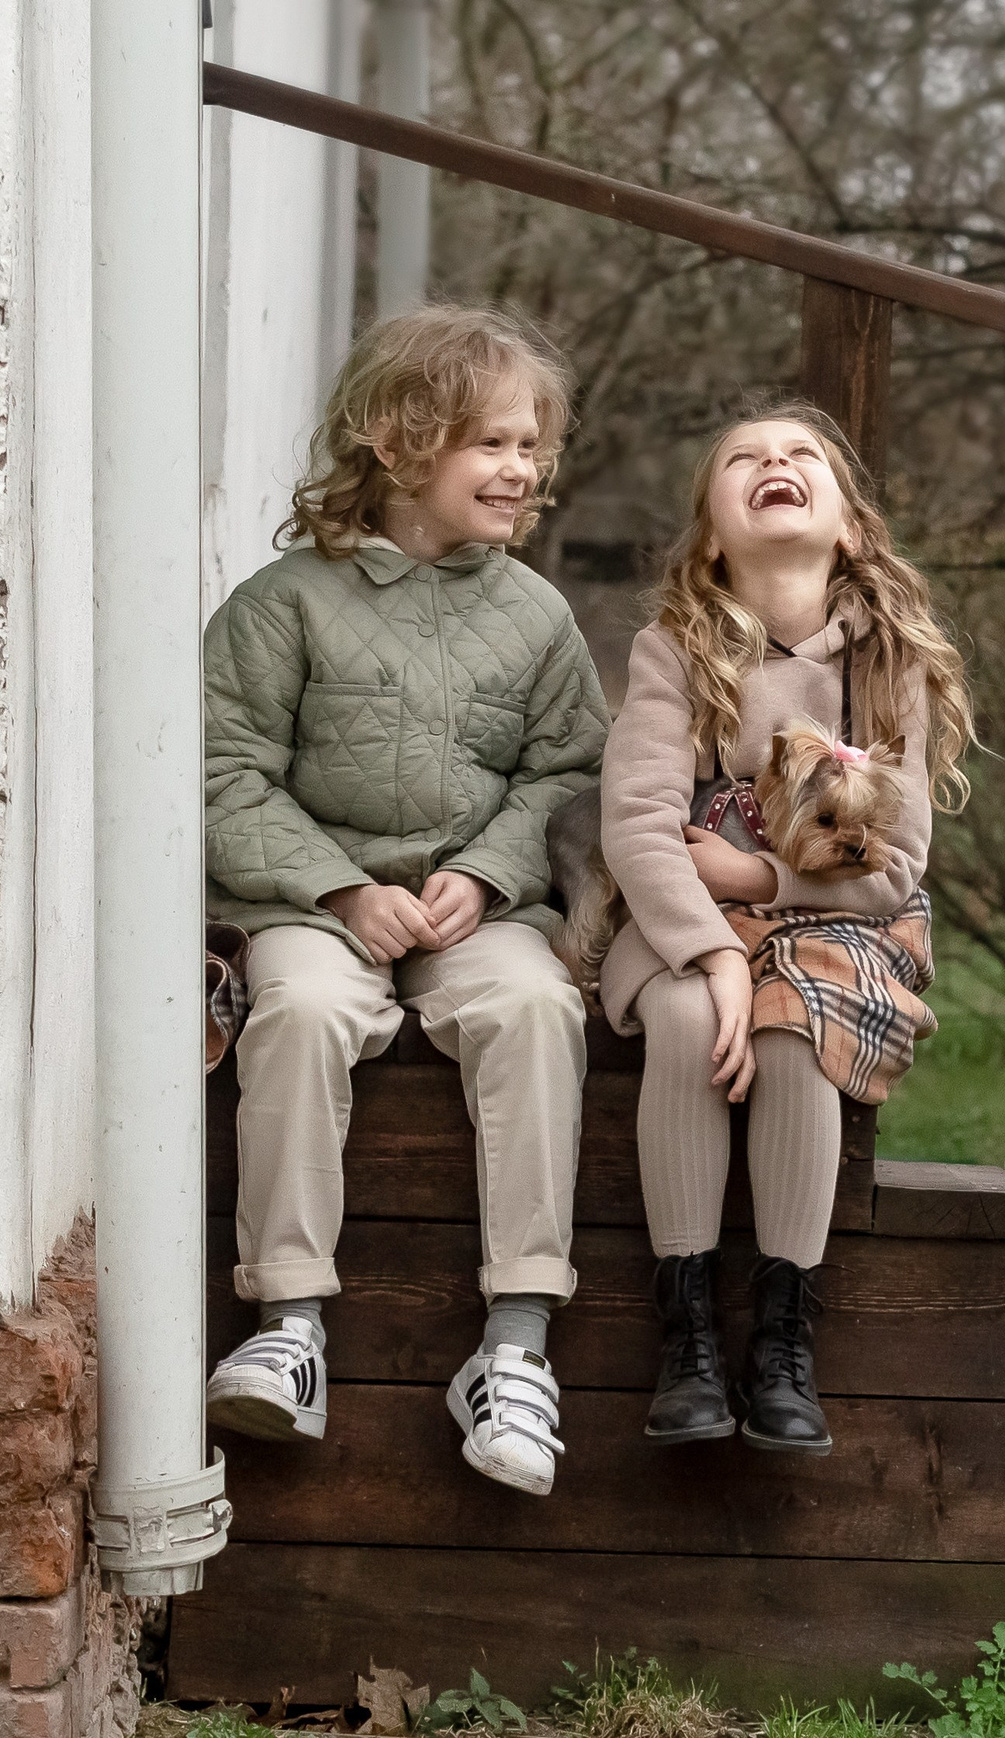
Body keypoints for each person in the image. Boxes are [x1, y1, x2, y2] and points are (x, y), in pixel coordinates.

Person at [200, 304, 607, 1497]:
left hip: (477, 914)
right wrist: (331, 882)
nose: (520, 468)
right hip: (310, 905)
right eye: (490, 443)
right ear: (394, 439)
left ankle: (516, 1346)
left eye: (530, 446)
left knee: (536, 1012)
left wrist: (484, 873)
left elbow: (567, 770)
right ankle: (290, 1324)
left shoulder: (535, 615)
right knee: (301, 1013)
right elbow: (222, 770)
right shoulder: (285, 605)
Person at [598, 404, 971, 1454]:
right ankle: (688, 1332)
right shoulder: (676, 649)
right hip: (686, 918)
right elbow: (637, 821)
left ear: (847, 526)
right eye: (745, 459)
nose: (776, 463)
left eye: (801, 455)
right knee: (687, 1018)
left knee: (791, 1024)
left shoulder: (883, 664)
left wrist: (761, 873)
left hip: (843, 923)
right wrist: (715, 946)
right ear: (712, 535)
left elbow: (893, 865)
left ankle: (782, 1332)